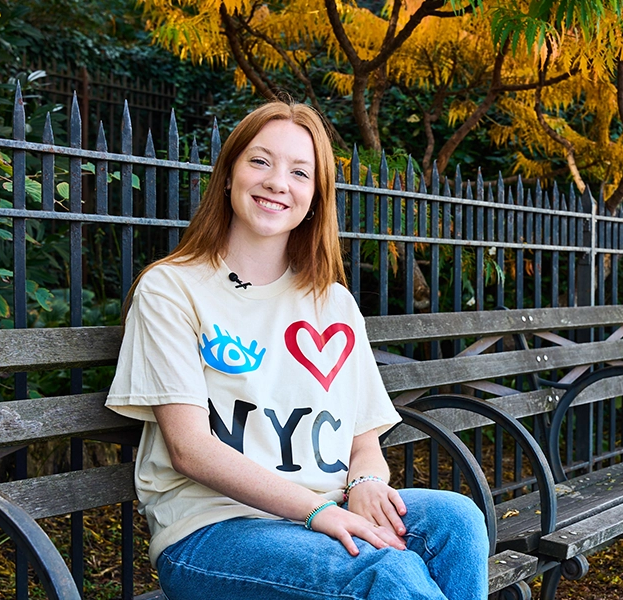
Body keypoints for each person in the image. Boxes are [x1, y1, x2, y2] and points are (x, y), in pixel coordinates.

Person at [105, 102, 488, 600]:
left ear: (315, 196)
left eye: (299, 171)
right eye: (259, 161)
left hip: (322, 510)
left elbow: (363, 441)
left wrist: (366, 483)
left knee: (457, 522)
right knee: (387, 576)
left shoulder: (334, 304)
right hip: (213, 530)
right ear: (229, 174)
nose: (277, 182)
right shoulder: (172, 288)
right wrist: (318, 512)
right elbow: (189, 449)